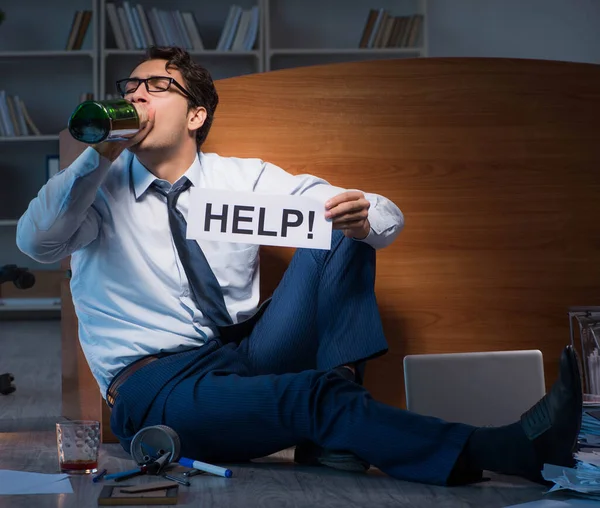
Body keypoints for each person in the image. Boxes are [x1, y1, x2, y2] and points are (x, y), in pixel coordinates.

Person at [17, 46, 582, 486]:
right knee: (315, 397)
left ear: (195, 114)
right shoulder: (96, 190)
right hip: (156, 386)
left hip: (243, 352)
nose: (138, 94)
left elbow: (381, 213)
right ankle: (508, 450)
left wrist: (367, 216)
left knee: (337, 220)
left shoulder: (244, 180)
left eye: (157, 86)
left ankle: (333, 423)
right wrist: (100, 152)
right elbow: (36, 243)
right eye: (131, 86)